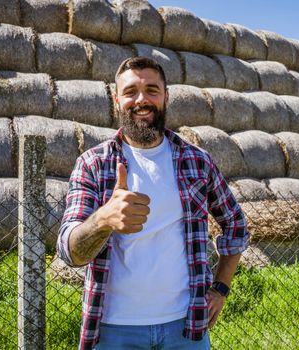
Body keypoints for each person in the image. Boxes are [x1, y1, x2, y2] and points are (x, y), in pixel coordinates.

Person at [57, 56, 249, 350]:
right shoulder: (93, 164)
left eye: (152, 90)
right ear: (116, 99)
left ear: (166, 96)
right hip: (113, 330)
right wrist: (104, 219)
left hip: (185, 329)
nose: (141, 99)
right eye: (131, 91)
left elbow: (235, 224)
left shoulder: (197, 161)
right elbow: (70, 251)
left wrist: (221, 288)